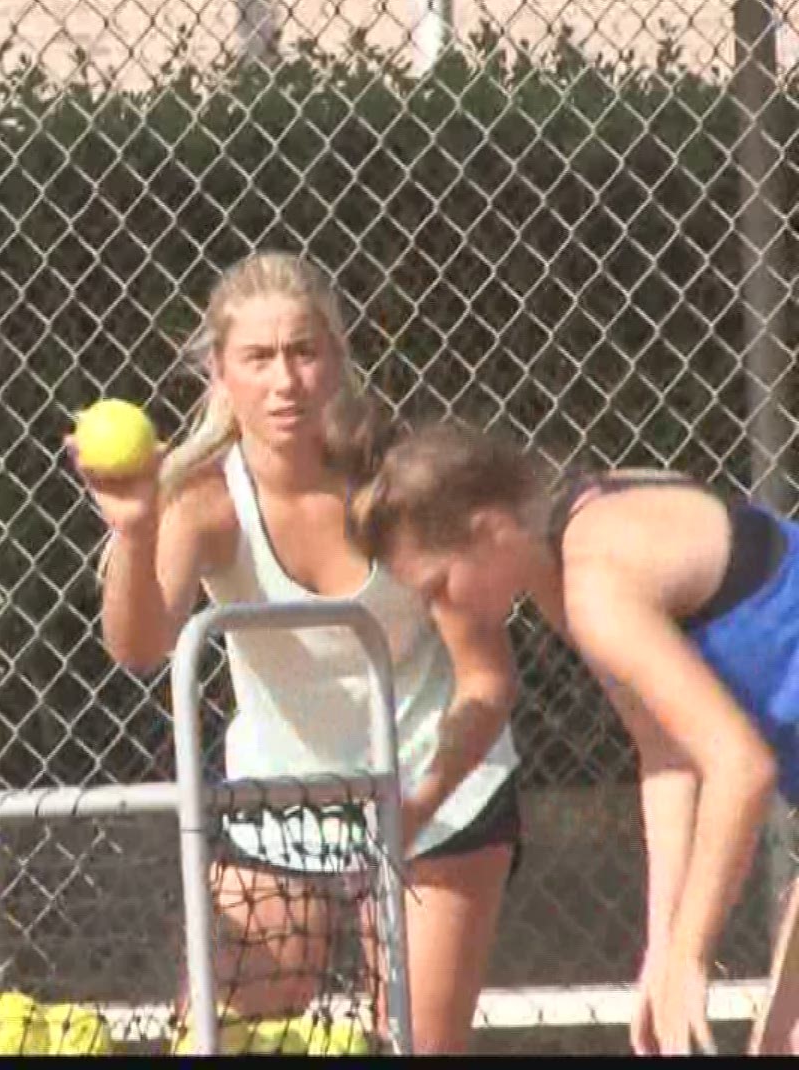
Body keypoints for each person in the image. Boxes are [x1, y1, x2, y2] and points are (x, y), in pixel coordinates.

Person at [72, 251, 522, 1053]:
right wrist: (137, 528)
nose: (285, 381)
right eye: (258, 357)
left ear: (338, 362)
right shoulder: (204, 502)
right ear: (219, 371)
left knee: (415, 1045)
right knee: (219, 1040)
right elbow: (138, 648)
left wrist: (414, 802)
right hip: (283, 805)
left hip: (436, 792)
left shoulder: (403, 488)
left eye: (304, 352)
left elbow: (487, 680)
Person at [342, 415, 799, 1056]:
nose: (442, 609)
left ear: (487, 530)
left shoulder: (596, 583)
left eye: (439, 584)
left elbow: (739, 768)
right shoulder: (573, 533)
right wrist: (662, 950)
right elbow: (667, 754)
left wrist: (693, 956)